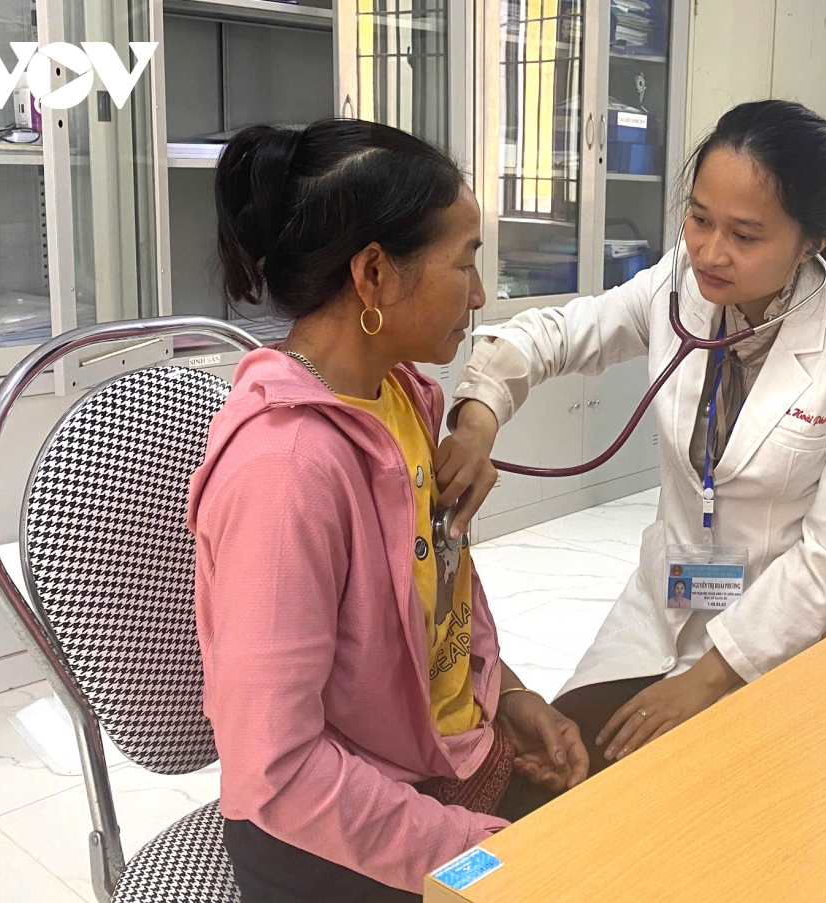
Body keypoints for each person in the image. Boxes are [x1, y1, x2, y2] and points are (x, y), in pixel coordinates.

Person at [437, 100, 826, 776]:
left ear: (814, 239)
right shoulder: (679, 286)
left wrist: (707, 678)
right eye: (699, 218)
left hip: (785, 635)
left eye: (745, 235)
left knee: (699, 799)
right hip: (669, 603)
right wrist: (478, 416)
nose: (709, 253)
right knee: (567, 771)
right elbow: (557, 335)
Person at [188, 119, 587, 903]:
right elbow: (279, 769)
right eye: (464, 263)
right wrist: (468, 850)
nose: (480, 295)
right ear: (373, 274)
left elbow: (430, 612)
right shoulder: (286, 471)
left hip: (440, 763)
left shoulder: (401, 396)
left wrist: (507, 695)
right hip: (330, 834)